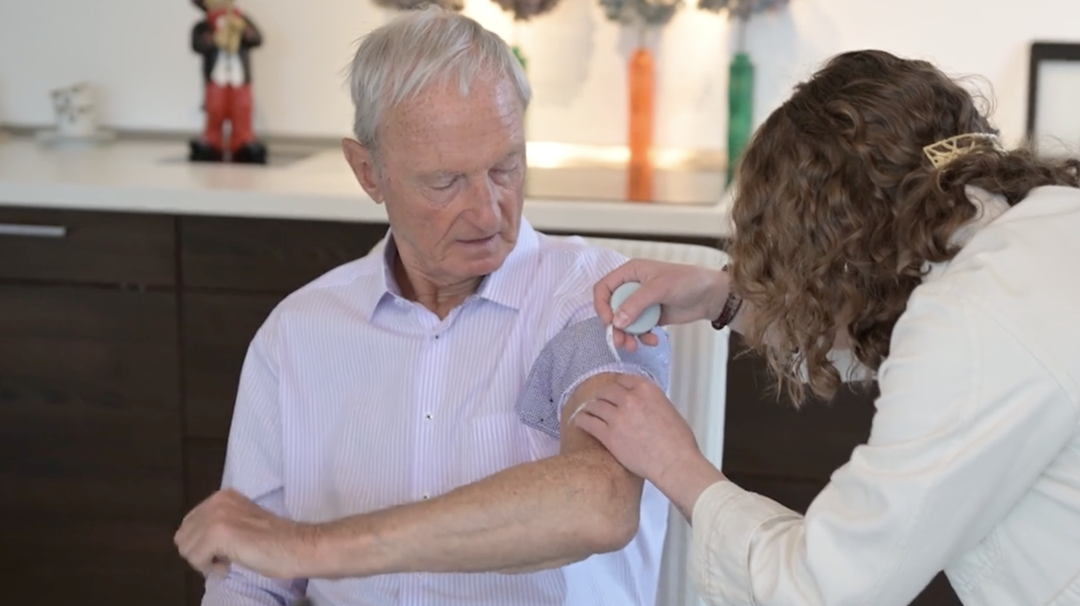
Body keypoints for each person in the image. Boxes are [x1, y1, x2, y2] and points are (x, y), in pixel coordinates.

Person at [173, 7, 672, 606]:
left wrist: (310, 546)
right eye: (444, 182)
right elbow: (251, 580)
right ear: (368, 173)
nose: (487, 211)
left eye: (505, 167)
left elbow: (597, 502)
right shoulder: (298, 333)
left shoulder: (596, 300)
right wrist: (275, 556)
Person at [577, 49, 1080, 606]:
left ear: (838, 248)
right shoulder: (1042, 226)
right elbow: (885, 336)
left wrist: (676, 466)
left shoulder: (968, 323)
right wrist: (724, 296)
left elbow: (824, 589)